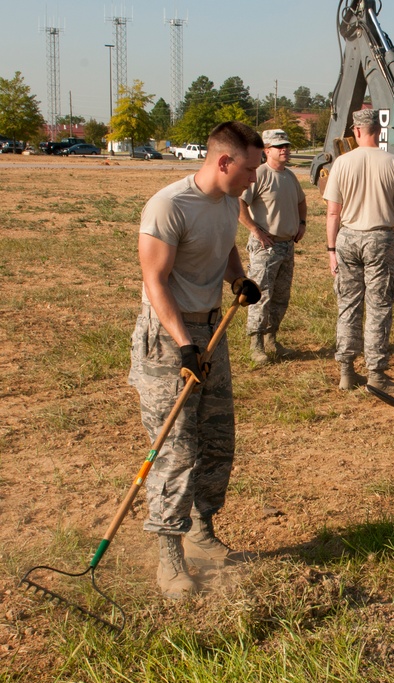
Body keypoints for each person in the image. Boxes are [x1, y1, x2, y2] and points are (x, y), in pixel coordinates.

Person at [128, 121, 264, 598]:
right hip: (169, 338)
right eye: (249, 168)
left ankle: (201, 531)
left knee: (218, 440)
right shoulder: (169, 205)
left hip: (213, 331)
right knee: (176, 449)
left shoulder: (229, 201)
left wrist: (237, 279)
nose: (253, 177)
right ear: (223, 161)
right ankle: (169, 557)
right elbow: (155, 280)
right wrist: (185, 344)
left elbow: (225, 244)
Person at [324, 108, 394, 392]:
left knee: (348, 305)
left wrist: (331, 250)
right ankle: (376, 374)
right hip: (380, 239)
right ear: (379, 131)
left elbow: (332, 213)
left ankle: (346, 371)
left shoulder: (341, 163)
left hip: (347, 239)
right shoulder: (393, 162)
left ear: (356, 131)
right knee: (378, 307)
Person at [238, 129, 308, 365]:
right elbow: (239, 203)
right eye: (279, 147)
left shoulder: (289, 176)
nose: (285, 150)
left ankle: (271, 339)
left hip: (287, 246)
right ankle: (255, 345)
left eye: (286, 146)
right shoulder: (259, 174)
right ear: (266, 151)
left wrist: (302, 223)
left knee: (281, 296)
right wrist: (255, 230)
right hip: (265, 247)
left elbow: (301, 201)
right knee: (260, 296)